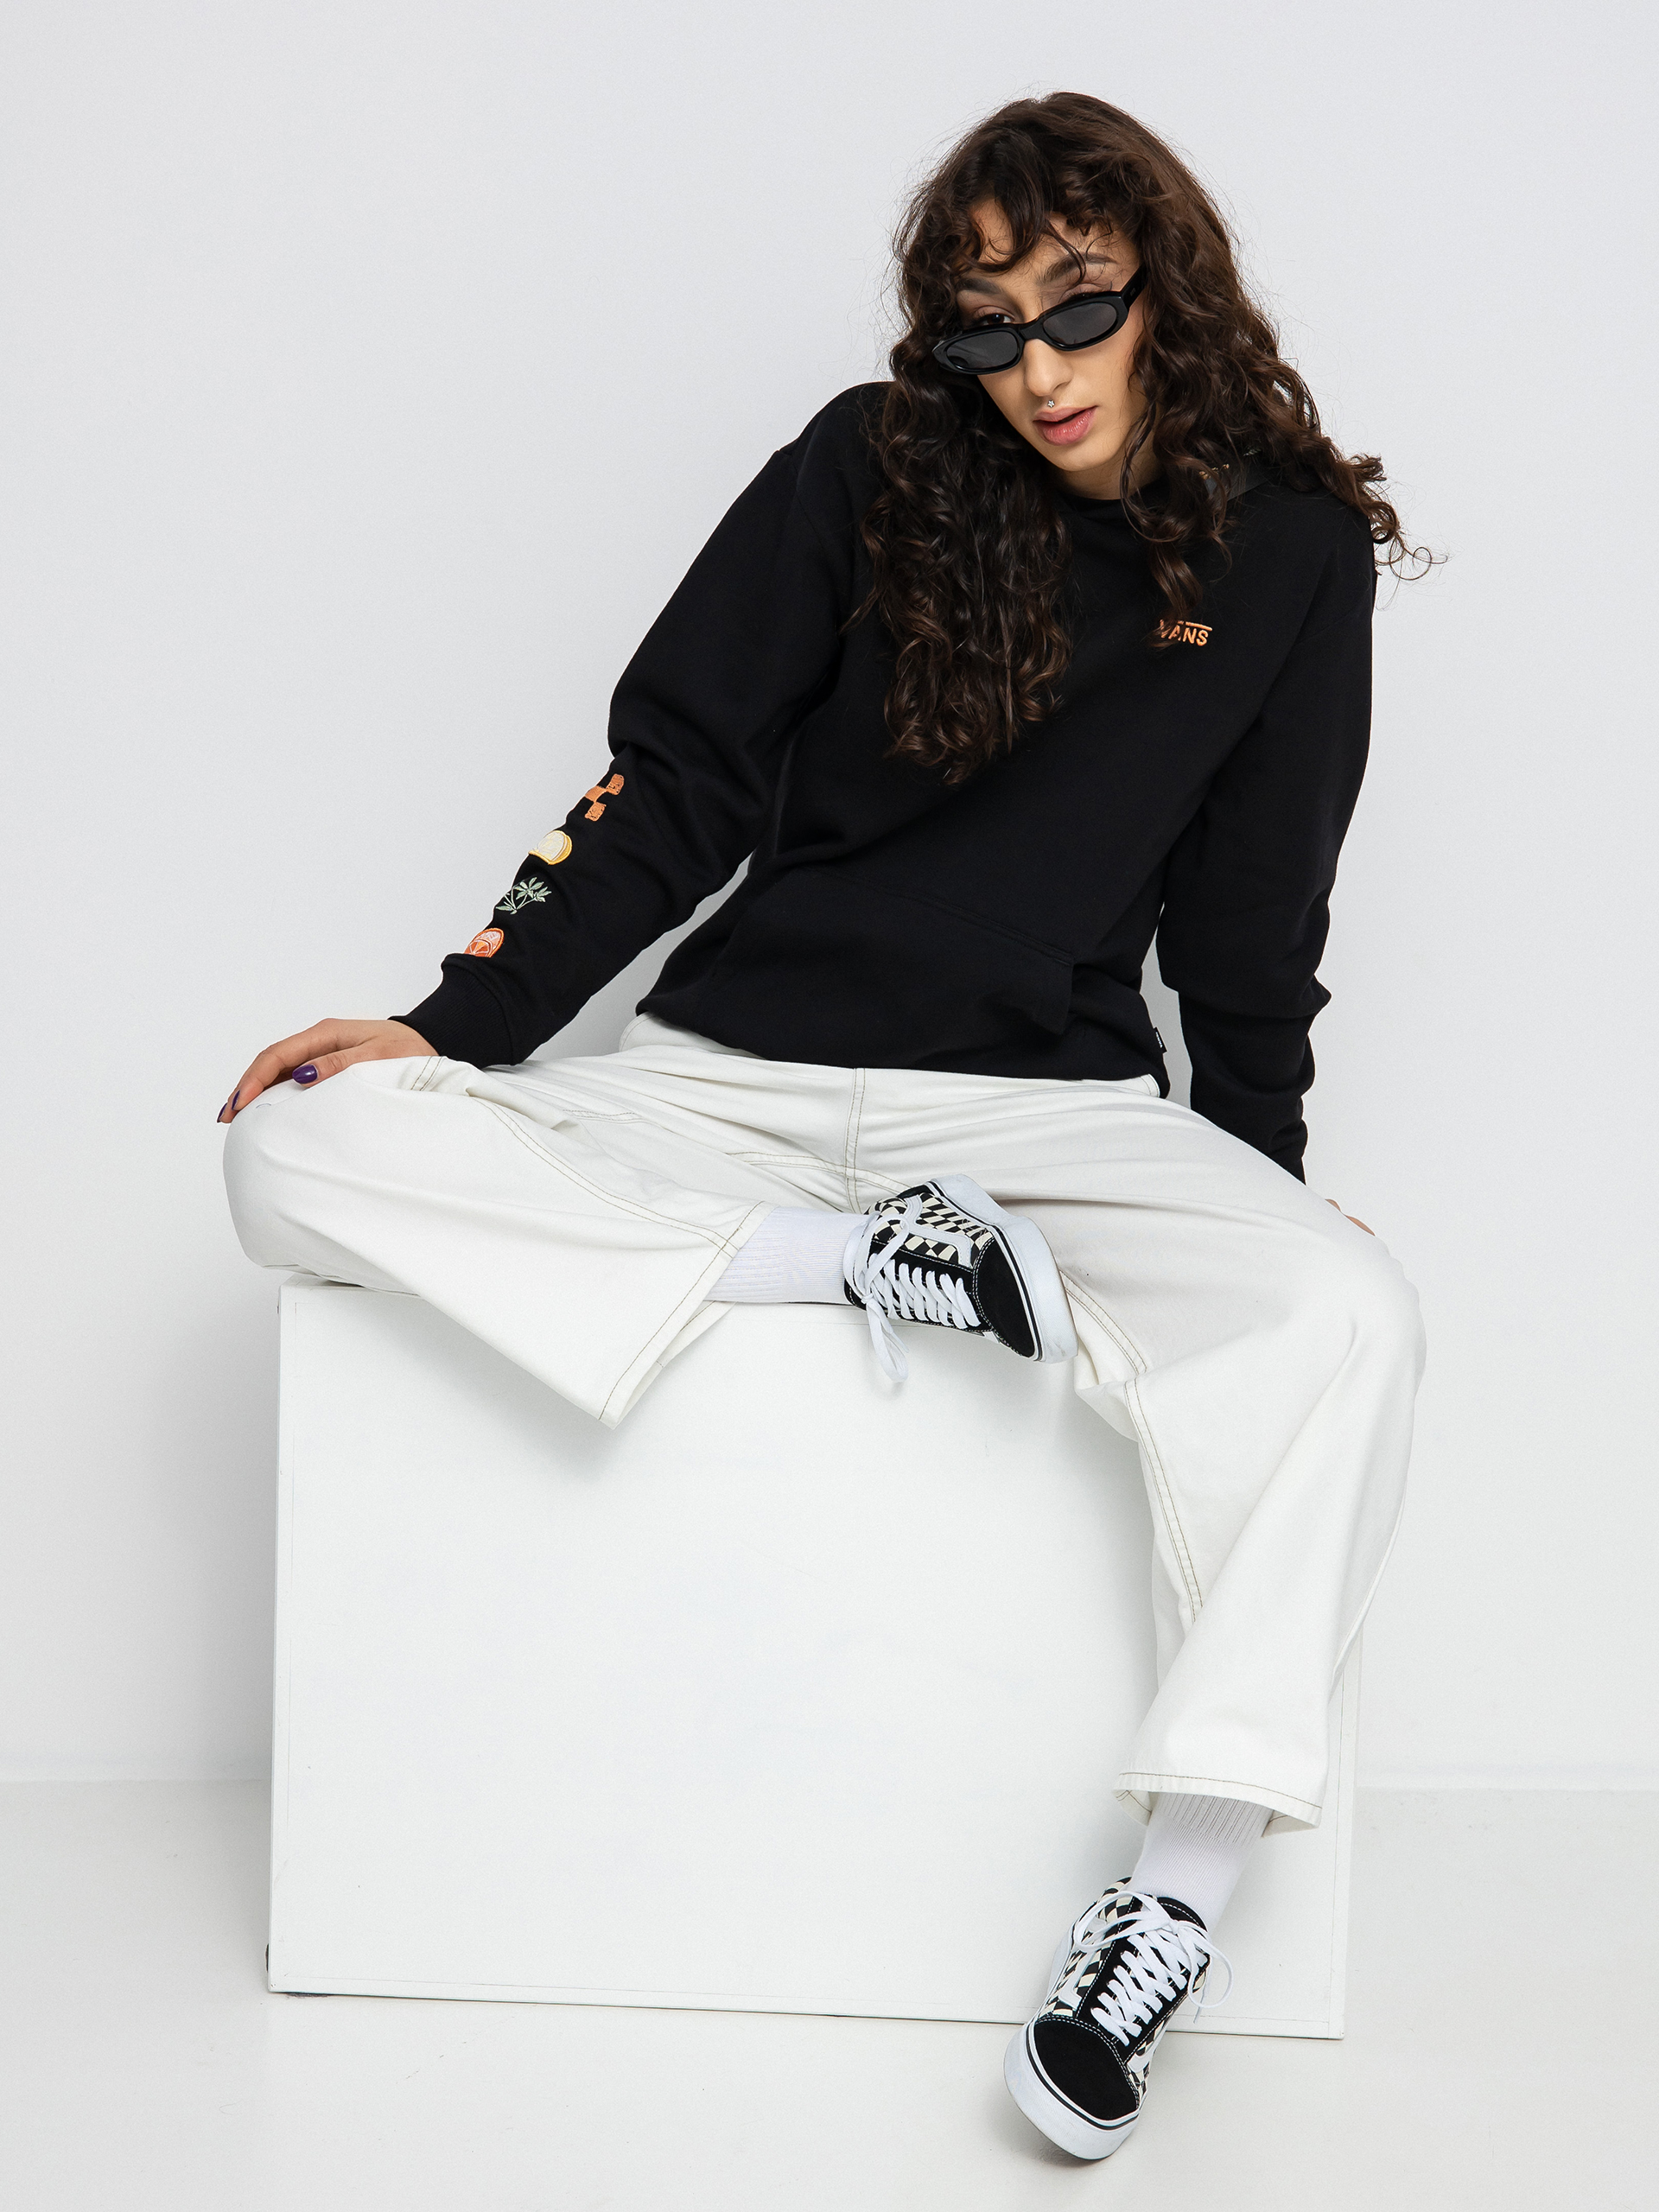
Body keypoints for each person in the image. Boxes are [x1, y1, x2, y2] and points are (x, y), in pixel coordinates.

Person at [219, 92, 1427, 2161]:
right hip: (737, 1088)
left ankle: (1173, 1896)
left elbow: (1255, 927)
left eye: (1079, 305)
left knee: (1352, 1317)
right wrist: (448, 1028)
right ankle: (855, 1269)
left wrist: (1263, 1199)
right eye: (986, 326)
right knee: (293, 1145)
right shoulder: (867, 467)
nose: (1036, 367)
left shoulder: (1291, 551)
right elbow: (672, 780)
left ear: (1169, 288)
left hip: (1046, 1111)